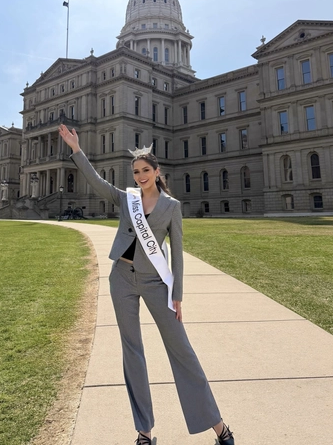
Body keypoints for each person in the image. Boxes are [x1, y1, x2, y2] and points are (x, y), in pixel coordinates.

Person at [59, 124, 235, 445]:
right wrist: (76, 150)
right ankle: (144, 432)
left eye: (145, 170)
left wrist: (177, 294)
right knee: (133, 352)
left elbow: (178, 254)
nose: (140, 175)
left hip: (156, 282)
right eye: (135, 171)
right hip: (122, 279)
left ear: (156, 171)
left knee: (181, 351)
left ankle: (219, 426)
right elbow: (97, 183)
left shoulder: (172, 207)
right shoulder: (127, 199)